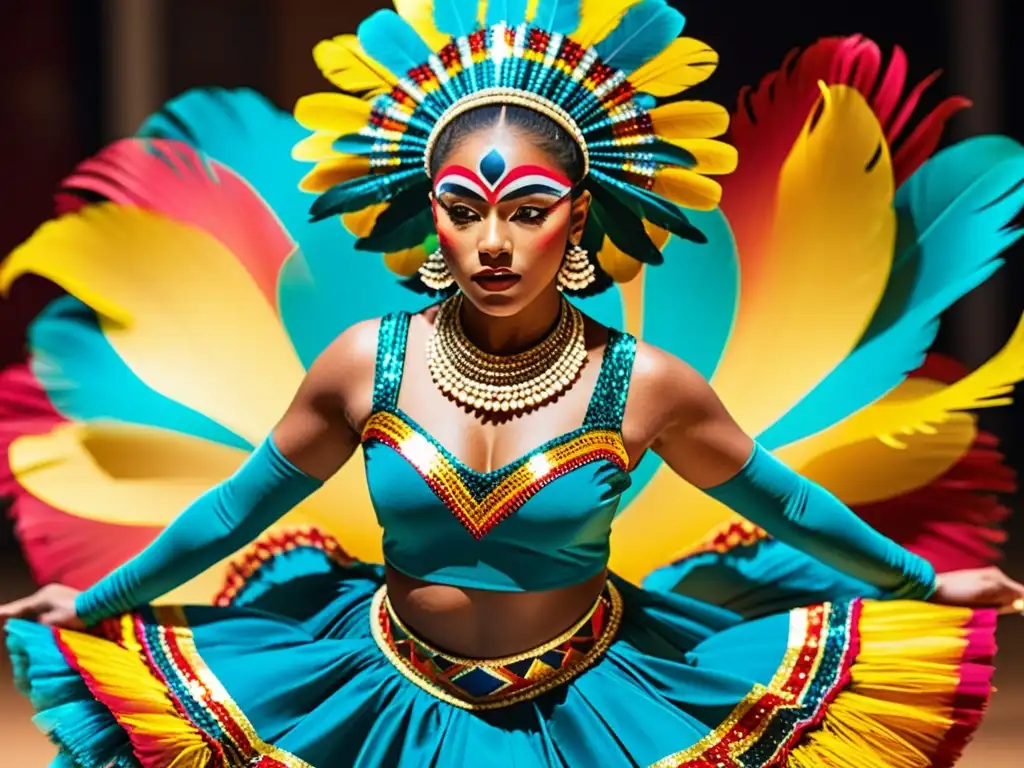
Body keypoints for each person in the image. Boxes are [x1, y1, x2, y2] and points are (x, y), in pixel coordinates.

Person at [2, 1, 1024, 766]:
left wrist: (925, 584)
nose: (493, 240)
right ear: (428, 215)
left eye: (527, 208)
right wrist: (94, 597)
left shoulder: (645, 385)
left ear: (579, 217)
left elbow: (785, 502)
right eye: (462, 206)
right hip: (379, 696)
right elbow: (233, 510)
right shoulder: (367, 363)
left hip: (593, 707)